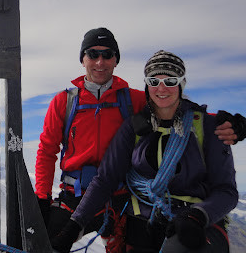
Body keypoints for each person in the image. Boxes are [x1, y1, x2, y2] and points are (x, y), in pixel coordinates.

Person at [35, 28, 245, 247]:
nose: (100, 61)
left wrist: (226, 122)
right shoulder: (64, 102)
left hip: (122, 197)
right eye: (93, 54)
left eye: (107, 54)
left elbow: (175, 110)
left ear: (116, 60)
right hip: (76, 194)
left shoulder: (133, 99)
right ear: (83, 59)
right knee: (46, 242)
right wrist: (42, 196)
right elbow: (47, 151)